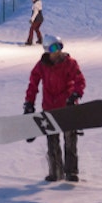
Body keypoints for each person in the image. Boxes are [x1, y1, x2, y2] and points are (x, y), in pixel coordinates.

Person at [23, 36, 87, 182]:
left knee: (70, 140)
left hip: (67, 107)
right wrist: (29, 103)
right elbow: (33, 84)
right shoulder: (41, 66)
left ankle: (71, 172)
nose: (57, 51)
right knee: (52, 142)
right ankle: (55, 172)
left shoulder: (69, 63)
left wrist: (76, 94)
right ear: (46, 50)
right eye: (53, 48)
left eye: (59, 47)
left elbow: (79, 80)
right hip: (50, 108)